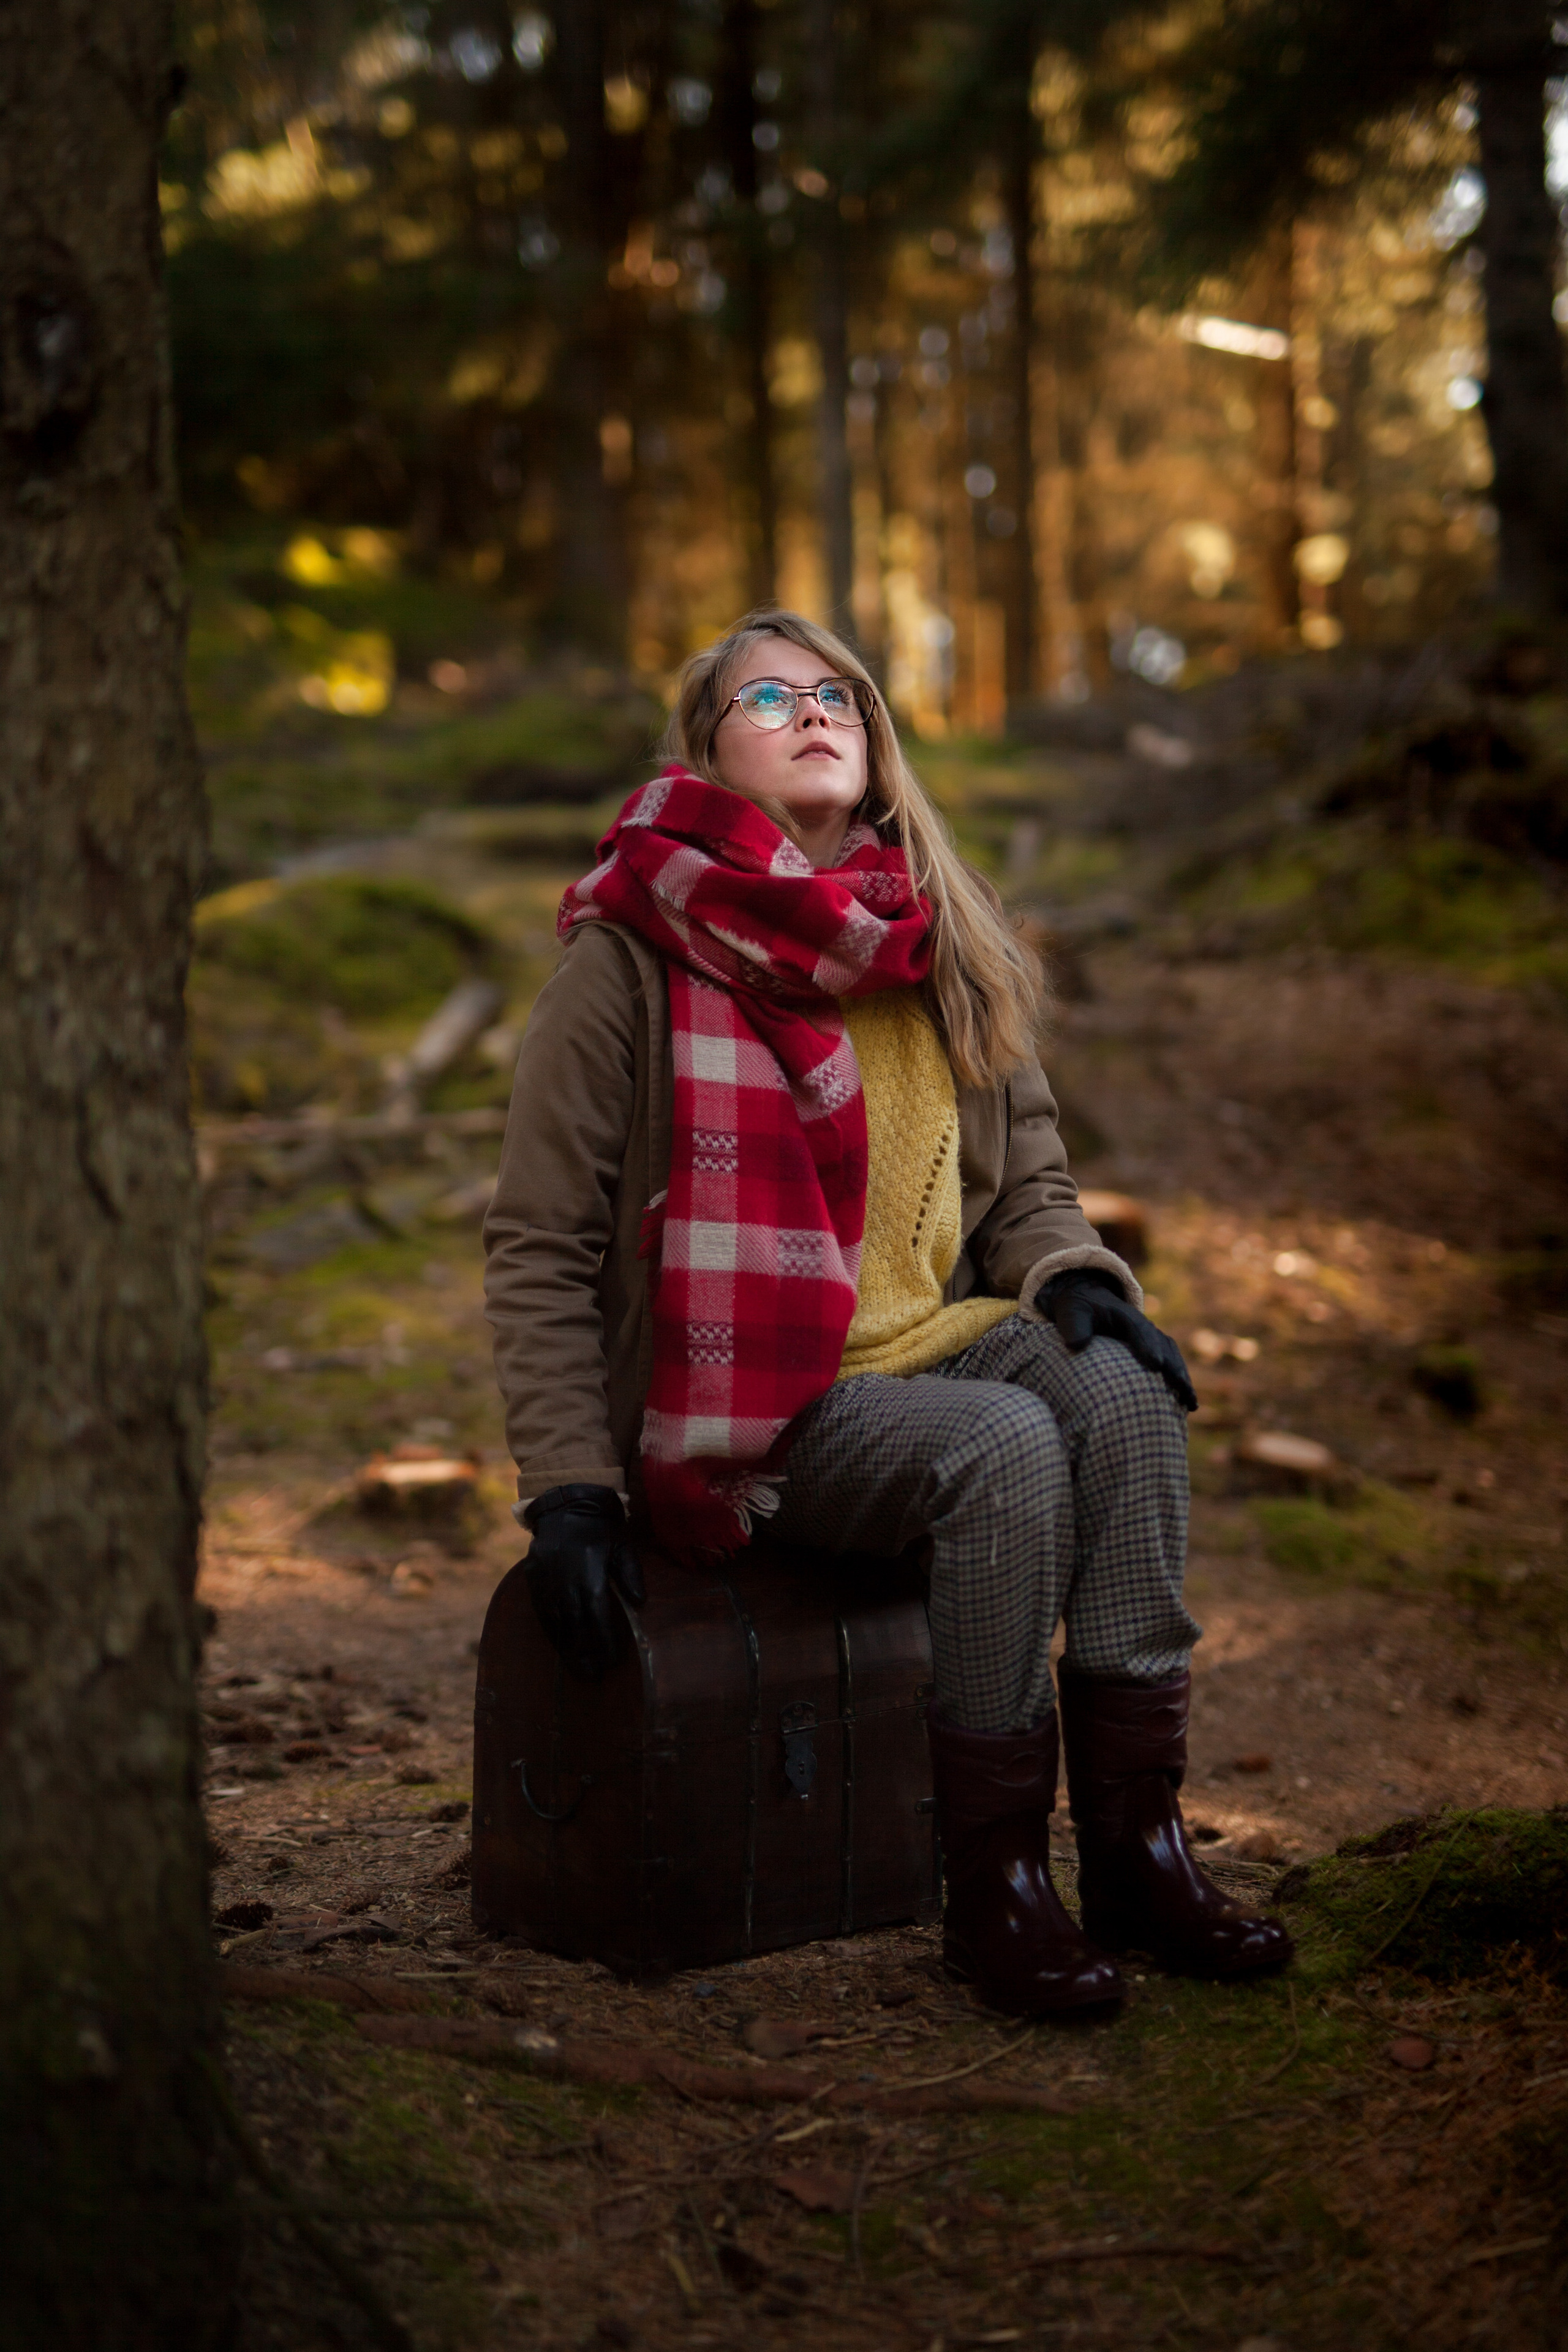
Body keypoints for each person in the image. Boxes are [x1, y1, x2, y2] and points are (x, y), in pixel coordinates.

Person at [483, 609, 1291, 2017]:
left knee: (1125, 1399)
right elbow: (540, 1243)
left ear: (873, 738)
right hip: (752, 1409)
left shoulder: (935, 937)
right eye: (767, 696)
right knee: (1002, 1448)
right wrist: (566, 1489)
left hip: (934, 1340)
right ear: (709, 754)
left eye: (838, 694)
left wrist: (1077, 1277)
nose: (813, 712)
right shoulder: (627, 957)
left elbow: (1026, 1186)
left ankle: (1135, 1846)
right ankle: (992, 1889)